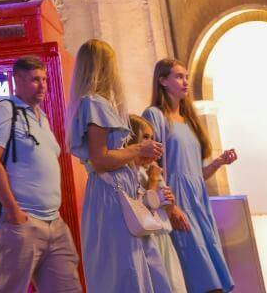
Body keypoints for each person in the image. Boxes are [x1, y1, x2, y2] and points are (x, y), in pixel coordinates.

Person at [66, 39, 173, 292]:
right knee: (127, 268)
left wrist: (137, 157)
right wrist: (138, 148)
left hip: (116, 194)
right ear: (104, 67)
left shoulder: (96, 103)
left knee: (136, 265)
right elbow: (101, 160)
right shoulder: (95, 104)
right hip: (113, 197)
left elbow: (108, 156)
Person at [0, 55, 81, 293]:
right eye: (35, 80)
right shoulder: (5, 111)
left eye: (44, 79)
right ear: (18, 81)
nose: (43, 85)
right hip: (22, 223)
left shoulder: (41, 116)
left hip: (54, 222)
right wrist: (13, 209)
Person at [143, 60, 237, 293]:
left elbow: (196, 174)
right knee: (200, 277)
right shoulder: (155, 115)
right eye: (178, 76)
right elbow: (151, 165)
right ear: (162, 81)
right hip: (177, 203)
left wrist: (218, 162)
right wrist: (170, 207)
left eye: (186, 76)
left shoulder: (189, 120)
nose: (185, 82)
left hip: (199, 203)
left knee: (212, 275)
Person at [129, 114, 188, 293]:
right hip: (149, 241)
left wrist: (169, 202)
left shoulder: (148, 170)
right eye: (145, 137)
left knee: (175, 287)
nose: (151, 143)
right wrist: (153, 181)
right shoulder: (132, 172)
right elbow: (143, 209)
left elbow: (161, 212)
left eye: (152, 138)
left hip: (163, 238)